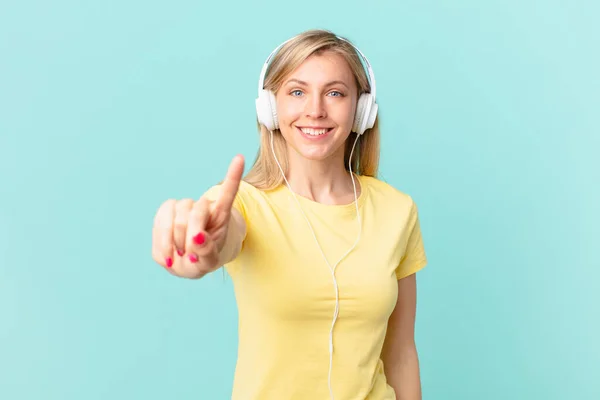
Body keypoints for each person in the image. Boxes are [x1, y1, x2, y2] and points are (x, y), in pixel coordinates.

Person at [151, 29, 428, 400]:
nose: (315, 109)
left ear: (361, 110)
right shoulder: (243, 204)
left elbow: (401, 353)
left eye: (335, 93)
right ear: (270, 108)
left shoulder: (397, 210)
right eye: (297, 92)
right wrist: (199, 248)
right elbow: (220, 238)